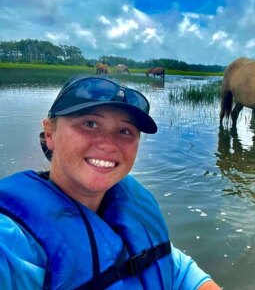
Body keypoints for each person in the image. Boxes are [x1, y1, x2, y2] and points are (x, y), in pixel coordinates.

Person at [0, 75, 221, 289]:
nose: (108, 144)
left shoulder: (133, 211)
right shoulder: (12, 240)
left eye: (125, 131)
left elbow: (178, 271)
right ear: (50, 133)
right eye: (90, 123)